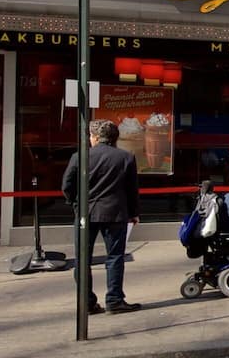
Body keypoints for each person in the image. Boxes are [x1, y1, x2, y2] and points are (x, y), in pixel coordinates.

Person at [63, 119, 142, 314]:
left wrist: (76, 204)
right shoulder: (126, 158)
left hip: (85, 213)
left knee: (83, 259)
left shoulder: (79, 156)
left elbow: (67, 186)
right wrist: (133, 213)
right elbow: (132, 190)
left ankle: (87, 302)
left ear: (96, 137)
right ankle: (114, 300)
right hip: (115, 213)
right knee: (115, 257)